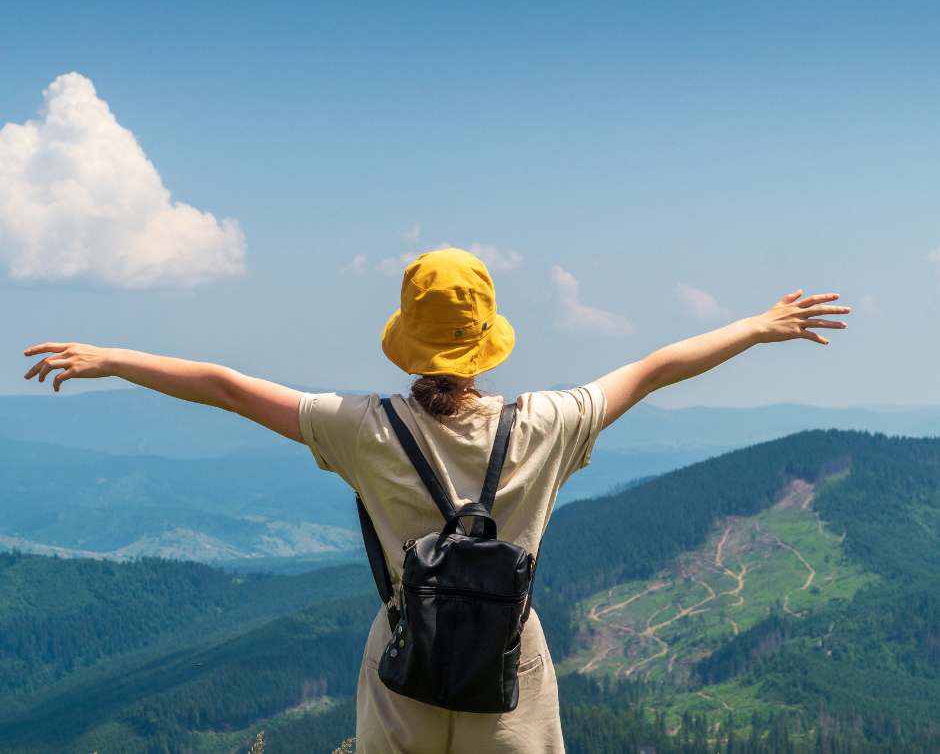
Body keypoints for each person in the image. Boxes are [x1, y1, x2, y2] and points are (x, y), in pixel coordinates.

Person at [21, 247, 850, 753]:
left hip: (402, 662)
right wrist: (757, 325)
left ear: (408, 342)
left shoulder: (360, 428)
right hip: (511, 666)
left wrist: (113, 357)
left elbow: (229, 387)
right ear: (487, 341)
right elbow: (658, 367)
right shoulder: (549, 422)